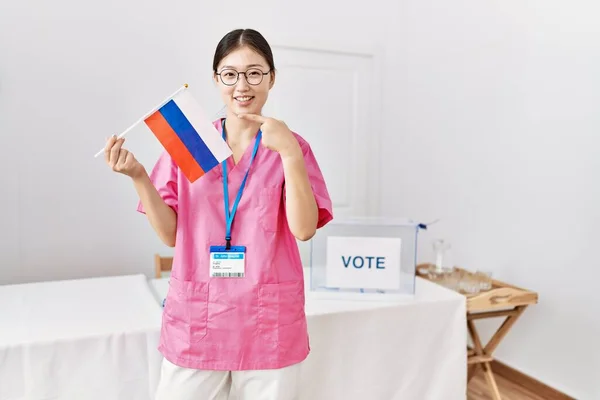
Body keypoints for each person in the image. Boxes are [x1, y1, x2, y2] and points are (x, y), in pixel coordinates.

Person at [103, 28, 333, 400]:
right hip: (198, 319)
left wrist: (289, 153)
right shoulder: (193, 140)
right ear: (216, 79)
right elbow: (170, 234)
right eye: (230, 74)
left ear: (272, 78)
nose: (242, 85)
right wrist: (139, 176)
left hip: (267, 324)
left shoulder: (290, 145)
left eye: (254, 72)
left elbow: (304, 229)